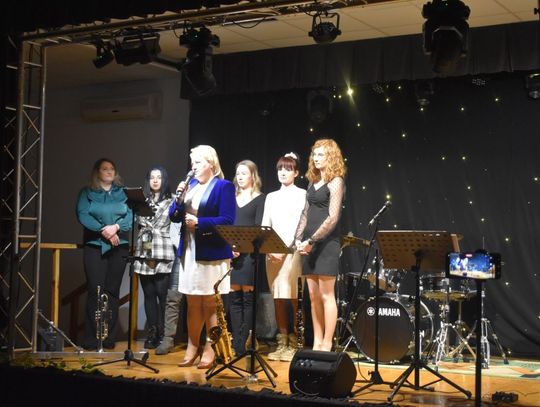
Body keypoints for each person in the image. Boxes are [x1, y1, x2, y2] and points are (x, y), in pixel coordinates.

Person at [169, 145, 235, 369]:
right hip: (189, 251)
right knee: (192, 301)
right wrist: (179, 199)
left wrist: (200, 222)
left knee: (209, 302)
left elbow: (228, 220)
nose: (193, 167)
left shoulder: (223, 186)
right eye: (192, 163)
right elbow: (173, 216)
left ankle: (210, 347)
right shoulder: (191, 186)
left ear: (211, 163)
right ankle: (192, 345)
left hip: (211, 251)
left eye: (198, 162)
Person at [295, 139, 346, 352]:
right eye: (314, 154)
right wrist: (298, 239)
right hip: (308, 244)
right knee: (313, 297)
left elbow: (332, 218)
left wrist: (311, 240)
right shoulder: (312, 182)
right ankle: (316, 341)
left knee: (326, 295)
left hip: (326, 244)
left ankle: (327, 342)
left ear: (331, 157)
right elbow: (305, 213)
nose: (316, 158)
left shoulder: (336, 181)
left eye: (321, 155)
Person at [76, 158, 132, 350]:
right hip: (94, 246)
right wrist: (104, 230)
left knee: (112, 291)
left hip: (119, 247)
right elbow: (83, 214)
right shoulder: (87, 192)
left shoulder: (123, 193)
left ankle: (108, 338)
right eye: (104, 168)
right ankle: (92, 339)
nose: (109, 171)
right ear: (97, 172)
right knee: (95, 290)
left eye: (112, 169)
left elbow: (130, 216)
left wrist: (115, 227)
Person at [262, 152, 306, 361]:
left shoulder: (302, 194)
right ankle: (282, 342)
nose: (283, 172)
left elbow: (301, 226)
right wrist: (270, 249)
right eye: (280, 168)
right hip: (273, 254)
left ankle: (297, 342)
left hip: (293, 253)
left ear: (296, 172)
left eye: (288, 169)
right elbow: (265, 225)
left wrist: (284, 249)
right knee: (278, 298)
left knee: (295, 297)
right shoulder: (271, 197)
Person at [133, 166, 175, 349]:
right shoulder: (142, 200)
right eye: (152, 177)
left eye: (159, 177)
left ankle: (166, 335)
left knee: (162, 294)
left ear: (164, 180)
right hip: (145, 247)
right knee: (148, 294)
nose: (155, 180)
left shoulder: (172, 200)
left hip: (163, 249)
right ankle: (153, 332)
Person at [229, 160, 265, 355]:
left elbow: (258, 228)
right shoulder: (231, 197)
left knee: (248, 298)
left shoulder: (260, 198)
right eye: (238, 173)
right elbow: (226, 224)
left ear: (253, 175)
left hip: (249, 254)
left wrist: (242, 247)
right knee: (235, 298)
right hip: (231, 254)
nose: (240, 176)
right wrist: (230, 248)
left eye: (244, 173)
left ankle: (245, 341)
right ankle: (237, 341)